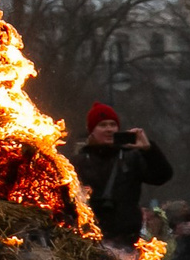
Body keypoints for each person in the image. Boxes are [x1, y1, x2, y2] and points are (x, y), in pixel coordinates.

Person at [72, 104, 175, 252]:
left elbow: (162, 176)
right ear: (92, 131)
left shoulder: (130, 158)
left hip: (126, 241)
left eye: (112, 124)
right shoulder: (78, 162)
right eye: (102, 125)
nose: (109, 129)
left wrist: (149, 150)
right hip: (89, 240)